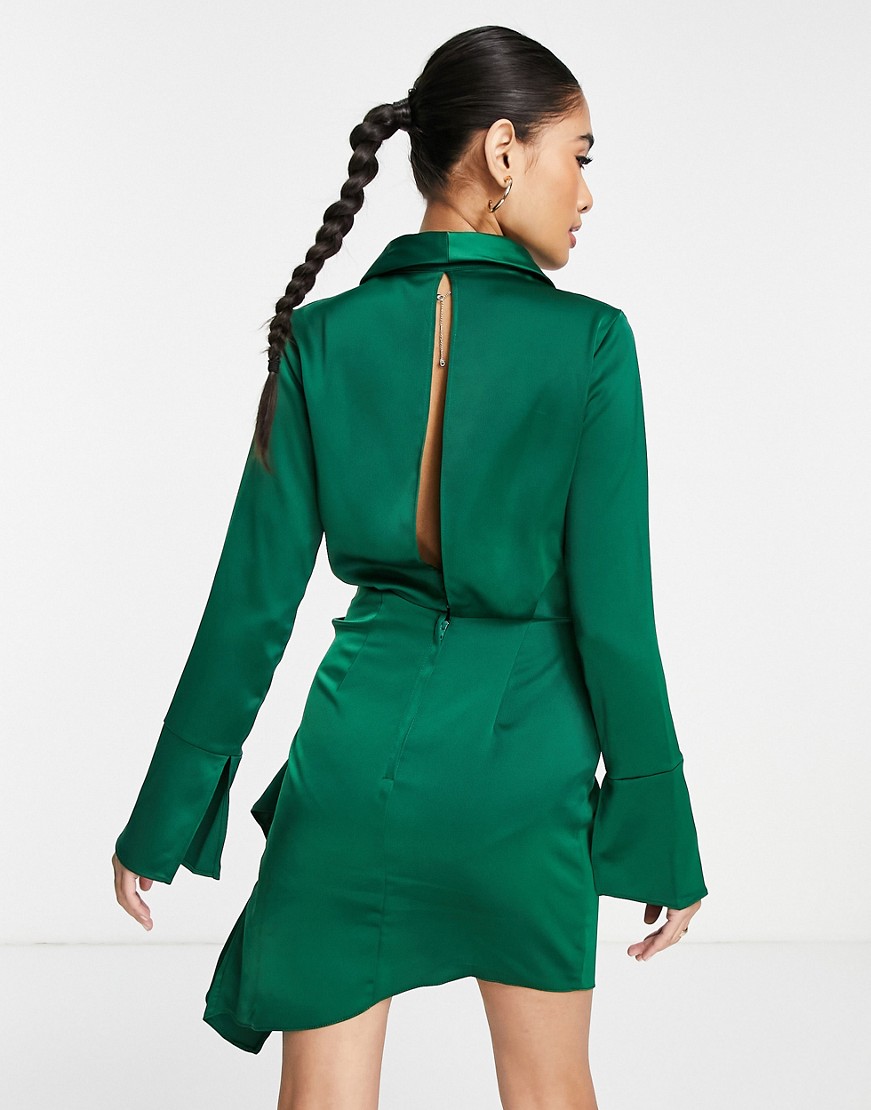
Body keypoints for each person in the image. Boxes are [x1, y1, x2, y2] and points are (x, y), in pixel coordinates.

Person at [112, 24, 707, 1110]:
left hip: (349, 769)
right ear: (504, 151)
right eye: (579, 156)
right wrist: (658, 825)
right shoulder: (591, 343)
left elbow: (249, 606)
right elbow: (616, 620)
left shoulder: (320, 338)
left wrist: (166, 811)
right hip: (523, 783)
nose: (586, 193)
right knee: (549, 1092)